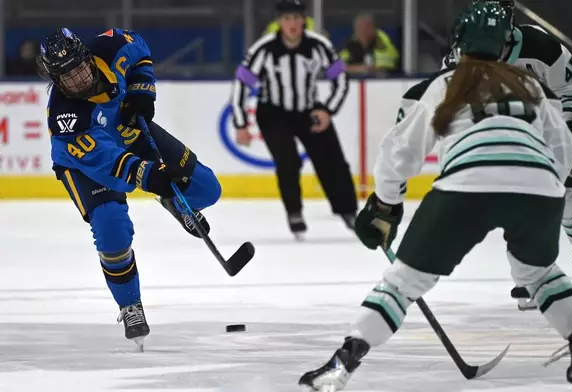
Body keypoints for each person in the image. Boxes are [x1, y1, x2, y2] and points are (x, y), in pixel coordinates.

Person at [299, 3, 572, 392]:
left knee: (402, 283)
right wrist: (540, 184)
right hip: (537, 189)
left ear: (460, 41)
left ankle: (342, 366)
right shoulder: (531, 86)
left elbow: (399, 154)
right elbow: (563, 155)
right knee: (539, 274)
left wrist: (385, 206)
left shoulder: (446, 84)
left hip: (467, 186)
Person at [39, 28, 222, 350]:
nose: (77, 81)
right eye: (66, 77)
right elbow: (107, 162)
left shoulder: (109, 47)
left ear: (86, 57)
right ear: (55, 80)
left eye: (79, 69)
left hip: (129, 129)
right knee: (112, 227)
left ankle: (176, 204)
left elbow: (138, 47)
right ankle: (130, 305)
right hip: (86, 164)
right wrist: (151, 177)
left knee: (207, 190)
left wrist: (141, 90)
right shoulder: (65, 116)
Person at [444, 0, 572, 308]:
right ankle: (536, 277)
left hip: (548, 121)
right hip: (499, 127)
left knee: (567, 194)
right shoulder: (461, 50)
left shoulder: (539, 45)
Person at [231, 0, 357, 240]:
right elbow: (242, 84)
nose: (292, 24)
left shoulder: (319, 45)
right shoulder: (264, 48)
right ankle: (294, 212)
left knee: (332, 161)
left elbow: (340, 78)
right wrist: (240, 123)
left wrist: (327, 110)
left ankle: (348, 211)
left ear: (304, 20)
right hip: (273, 113)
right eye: (286, 19)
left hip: (308, 111)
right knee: (287, 160)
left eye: (296, 18)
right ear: (279, 21)